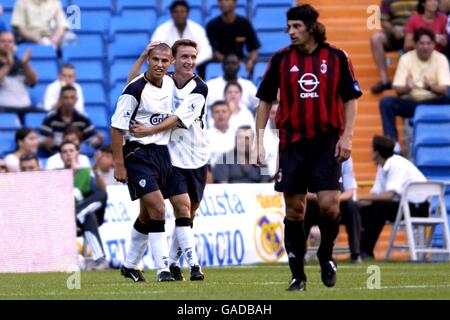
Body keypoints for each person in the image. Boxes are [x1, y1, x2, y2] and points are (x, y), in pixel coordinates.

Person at [255, 4, 362, 291]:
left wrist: (347, 136)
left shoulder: (337, 57)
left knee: (329, 206)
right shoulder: (280, 60)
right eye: (288, 27)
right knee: (294, 211)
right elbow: (265, 99)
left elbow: (351, 98)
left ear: (311, 27)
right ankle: (297, 276)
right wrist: (258, 140)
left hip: (326, 142)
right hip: (292, 144)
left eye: (296, 27)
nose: (290, 32)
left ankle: (326, 254)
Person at [126, 39, 208, 281]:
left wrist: (148, 130)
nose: (189, 62)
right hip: (167, 155)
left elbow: (177, 118)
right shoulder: (165, 80)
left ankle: (155, 263)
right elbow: (131, 86)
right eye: (184, 57)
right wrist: (142, 57)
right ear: (174, 59)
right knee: (163, 210)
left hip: (195, 156)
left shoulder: (199, 88)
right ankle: (178, 266)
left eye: (193, 57)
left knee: (185, 212)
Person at [111, 43, 176, 282]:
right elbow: (117, 128)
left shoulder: (169, 83)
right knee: (159, 208)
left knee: (148, 215)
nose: (160, 64)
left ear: (171, 63)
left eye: (164, 61)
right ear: (149, 60)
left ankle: (129, 265)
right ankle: (163, 269)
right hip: (136, 153)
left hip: (161, 152)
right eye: (155, 59)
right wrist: (119, 164)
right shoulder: (135, 90)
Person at [358, 135, 429, 259]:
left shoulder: (396, 164)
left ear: (376, 152)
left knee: (378, 207)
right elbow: (375, 194)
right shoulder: (383, 166)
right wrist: (356, 202)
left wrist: (361, 198)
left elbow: (389, 195)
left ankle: (366, 251)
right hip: (405, 205)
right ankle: (360, 251)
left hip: (418, 208)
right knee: (365, 209)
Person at [379, 28, 450, 151]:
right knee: (386, 102)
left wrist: (430, 87)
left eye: (428, 43)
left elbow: (444, 89)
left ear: (434, 44)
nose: (425, 47)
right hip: (412, 102)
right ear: (415, 44)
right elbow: (398, 89)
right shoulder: (406, 59)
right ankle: (393, 145)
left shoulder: (441, 59)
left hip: (435, 101)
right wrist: (407, 88)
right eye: (422, 43)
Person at [60, 140, 109, 270]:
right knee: (88, 215)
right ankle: (100, 260)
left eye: (71, 151)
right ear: (60, 156)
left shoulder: (86, 172)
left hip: (82, 217)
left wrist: (96, 171)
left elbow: (100, 193)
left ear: (77, 153)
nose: (68, 154)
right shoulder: (56, 174)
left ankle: (78, 213)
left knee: (100, 196)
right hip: (62, 218)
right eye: (64, 152)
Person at [303, 158, 362, 264]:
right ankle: (300, 254)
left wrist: (332, 200)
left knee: (352, 207)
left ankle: (355, 254)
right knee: (304, 208)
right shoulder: (308, 151)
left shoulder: (344, 158)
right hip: (314, 201)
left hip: (336, 203)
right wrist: (322, 198)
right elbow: (301, 191)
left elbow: (350, 191)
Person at [39, 85, 104, 157]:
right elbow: (42, 141)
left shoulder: (83, 119)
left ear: (76, 100)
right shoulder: (50, 118)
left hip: (78, 157)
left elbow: (92, 142)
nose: (69, 101)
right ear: (60, 99)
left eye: (72, 97)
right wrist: (45, 143)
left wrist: (100, 140)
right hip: (55, 156)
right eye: (66, 98)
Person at [370, 0, 418, 94]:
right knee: (376, 39)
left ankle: (413, 80)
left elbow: (425, 15)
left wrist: (410, 30)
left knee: (423, 39)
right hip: (396, 31)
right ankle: (384, 81)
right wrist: (394, 31)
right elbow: (383, 20)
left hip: (416, 31)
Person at [151, 1, 212, 68]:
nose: (179, 15)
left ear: (187, 13)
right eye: (176, 12)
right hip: (168, 67)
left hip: (192, 68)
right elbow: (154, 50)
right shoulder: (162, 29)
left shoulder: (197, 29)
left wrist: (192, 62)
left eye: (182, 11)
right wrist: (172, 62)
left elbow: (207, 51)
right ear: (171, 14)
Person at [206, 0, 260, 74]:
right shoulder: (212, 25)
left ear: (235, 3)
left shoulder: (244, 24)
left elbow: (254, 49)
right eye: (220, 1)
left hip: (240, 62)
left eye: (227, 0)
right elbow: (216, 54)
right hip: (220, 64)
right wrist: (231, 63)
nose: (223, 3)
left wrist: (251, 61)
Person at [0, 31, 37, 111]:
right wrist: (8, 65)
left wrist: (26, 64)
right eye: (3, 41)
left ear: (14, 45)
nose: (7, 44)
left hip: (25, 106)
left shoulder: (21, 63)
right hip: (3, 108)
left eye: (10, 41)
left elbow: (33, 82)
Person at [206, 100, 235, 167]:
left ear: (230, 114)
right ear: (212, 115)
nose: (220, 115)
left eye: (224, 111)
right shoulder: (205, 136)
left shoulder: (236, 135)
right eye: (217, 112)